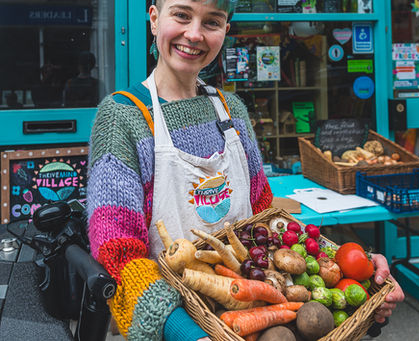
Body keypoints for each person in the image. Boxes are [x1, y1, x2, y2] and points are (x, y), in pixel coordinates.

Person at [87, 1, 403, 340]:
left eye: (212, 22)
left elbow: (268, 222)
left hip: (253, 315)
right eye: (181, 15)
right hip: (175, 327)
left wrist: (354, 268)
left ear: (226, 30)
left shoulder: (231, 110)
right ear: (153, 19)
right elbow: (117, 256)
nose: (194, 34)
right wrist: (187, 332)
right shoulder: (123, 117)